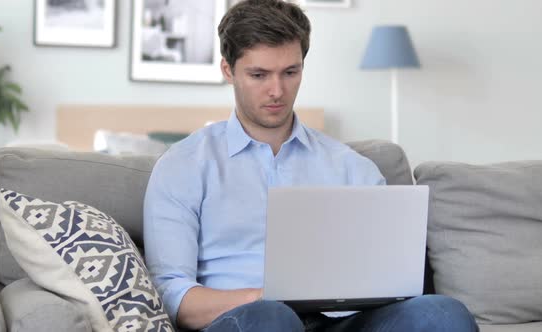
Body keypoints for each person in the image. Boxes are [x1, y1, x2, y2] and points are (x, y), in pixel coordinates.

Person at [143, 0, 479, 331]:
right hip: (247, 319)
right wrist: (267, 298)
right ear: (228, 71)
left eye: (290, 72)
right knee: (271, 316)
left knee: (441, 313)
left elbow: (393, 280)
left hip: (344, 321)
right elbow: (172, 294)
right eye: (259, 75)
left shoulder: (352, 168)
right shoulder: (183, 165)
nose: (277, 91)